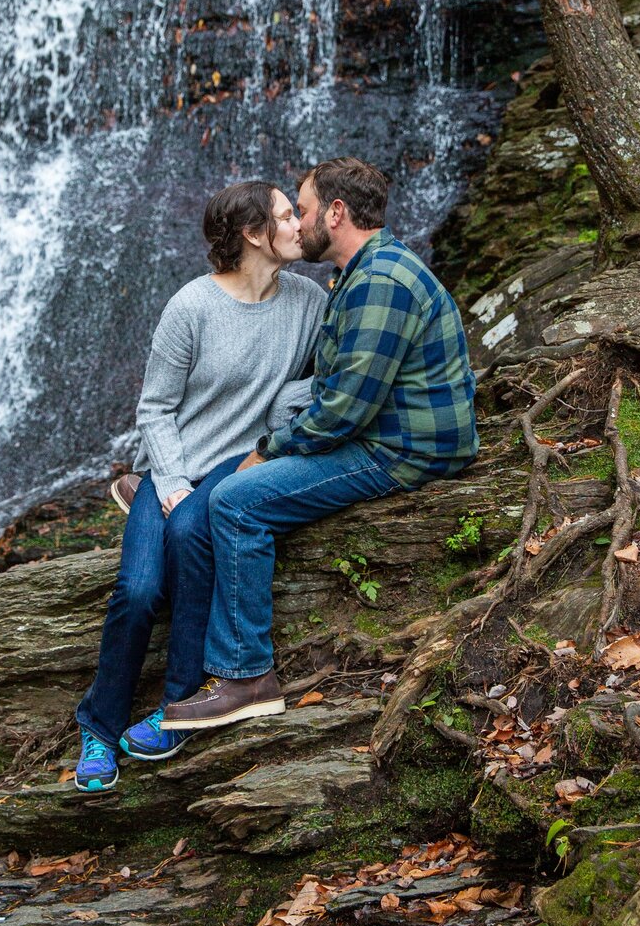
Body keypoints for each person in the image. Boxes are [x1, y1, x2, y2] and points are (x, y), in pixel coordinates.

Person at [163, 156, 478, 733]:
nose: (298, 224)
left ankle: (246, 677)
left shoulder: (380, 282)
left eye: (302, 210)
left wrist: (265, 453)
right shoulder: (362, 274)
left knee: (236, 501)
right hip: (390, 432)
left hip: (400, 449)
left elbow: (341, 412)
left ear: (336, 213)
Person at [73, 180, 326, 791]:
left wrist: (284, 411)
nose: (301, 224)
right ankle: (99, 728)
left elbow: (326, 381)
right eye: (287, 216)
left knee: (191, 537)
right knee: (136, 592)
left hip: (240, 467)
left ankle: (177, 708)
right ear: (252, 234)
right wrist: (168, 483)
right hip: (174, 463)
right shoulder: (190, 307)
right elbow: (155, 409)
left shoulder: (310, 302)